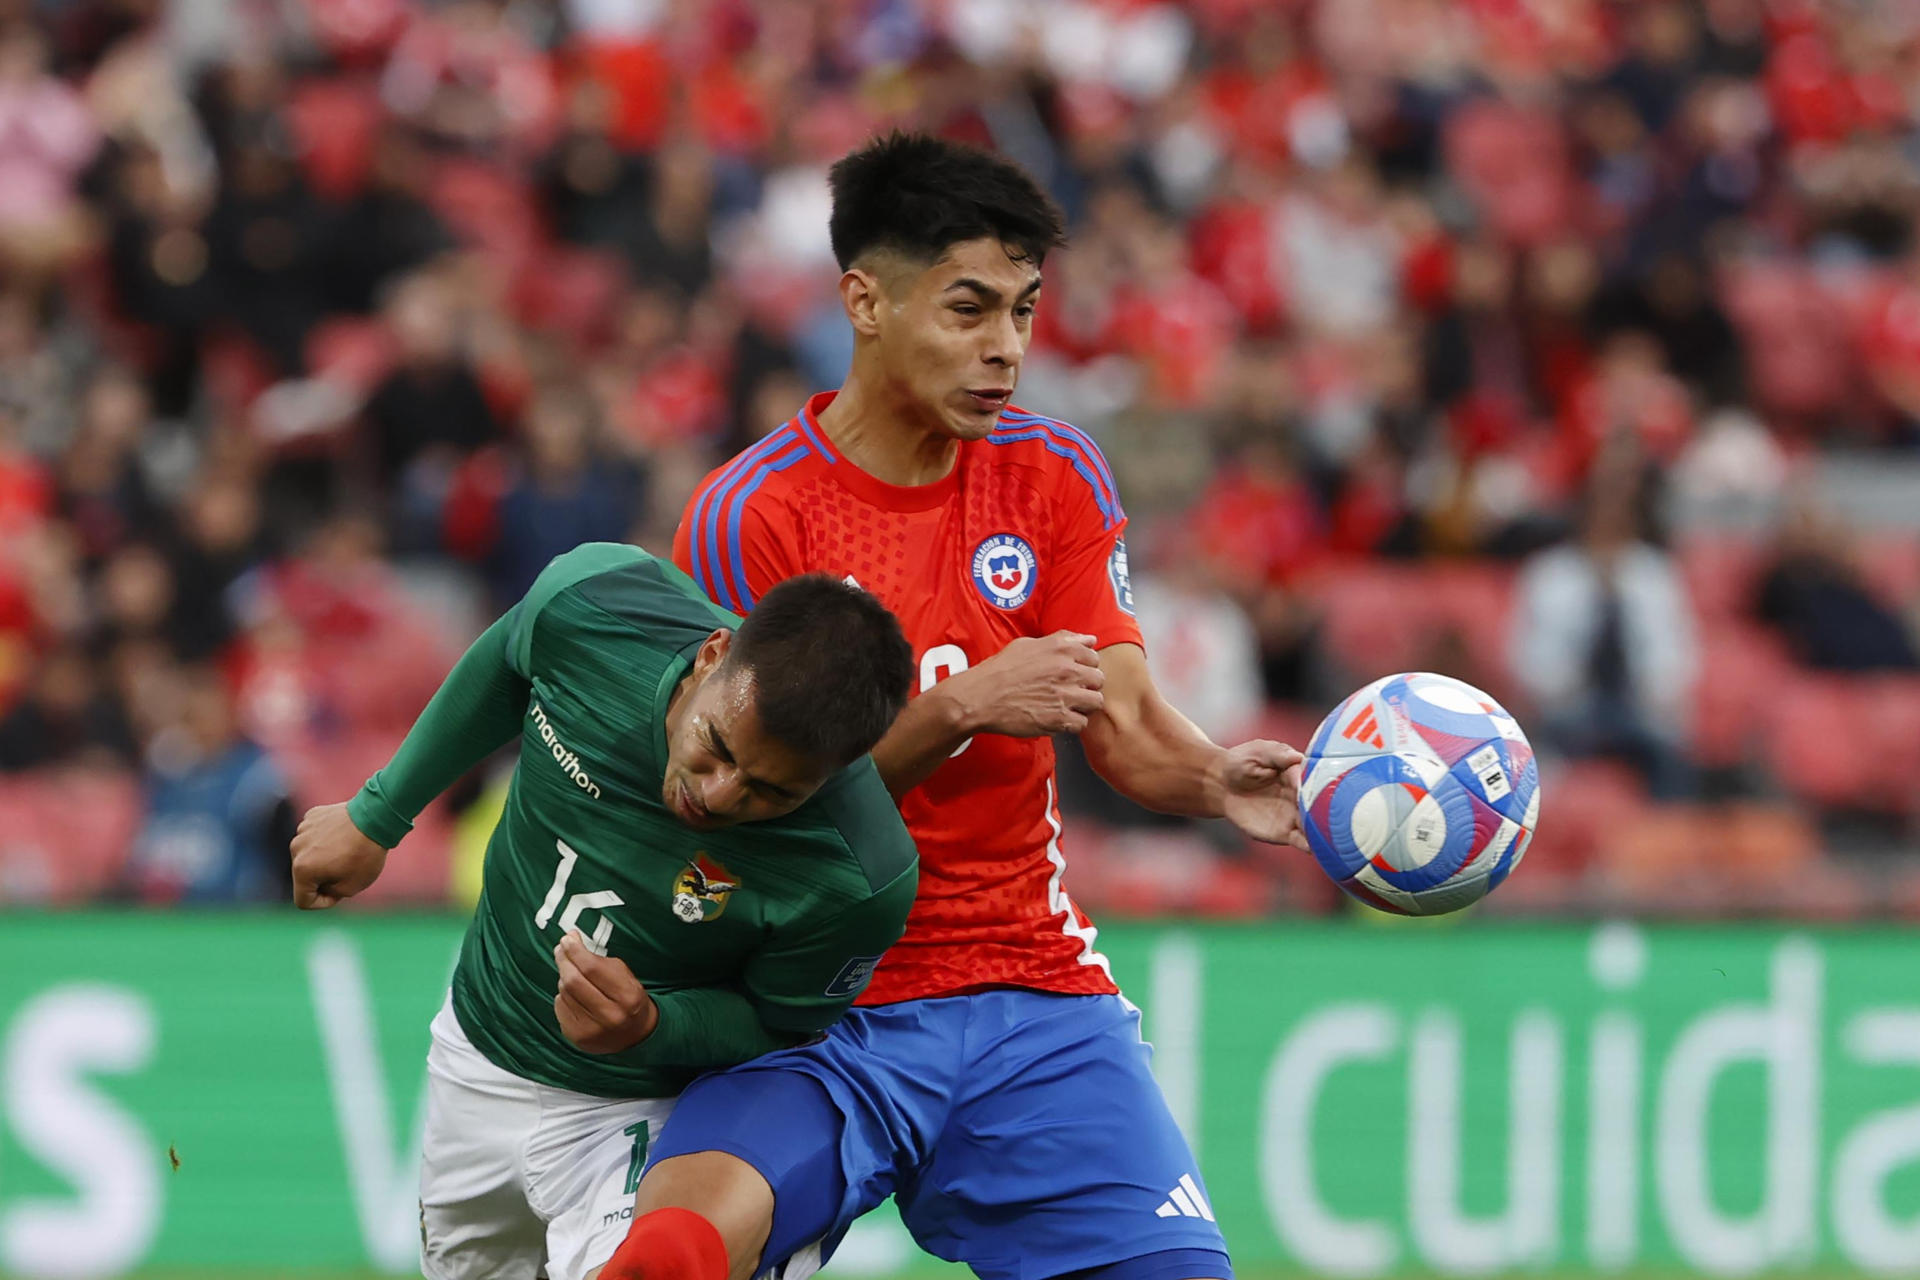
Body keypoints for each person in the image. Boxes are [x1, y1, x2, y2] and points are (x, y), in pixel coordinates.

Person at [598, 134, 1309, 1280]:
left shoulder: (1053, 472)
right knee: (673, 1251)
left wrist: (1218, 778)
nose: (1007, 350)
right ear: (864, 301)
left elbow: (1120, 721)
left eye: (1025, 312)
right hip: (817, 999)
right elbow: (748, 808)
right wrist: (967, 704)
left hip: (1028, 986)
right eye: (971, 309)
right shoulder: (754, 518)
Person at [287, 542, 919, 1280]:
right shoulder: (597, 607)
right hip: (476, 1052)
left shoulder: (859, 874)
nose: (718, 795)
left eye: (771, 792)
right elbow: (509, 654)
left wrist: (656, 1026)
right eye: (716, 747)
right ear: (713, 655)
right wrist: (380, 814)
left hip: (643, 1111)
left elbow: (782, 1029)